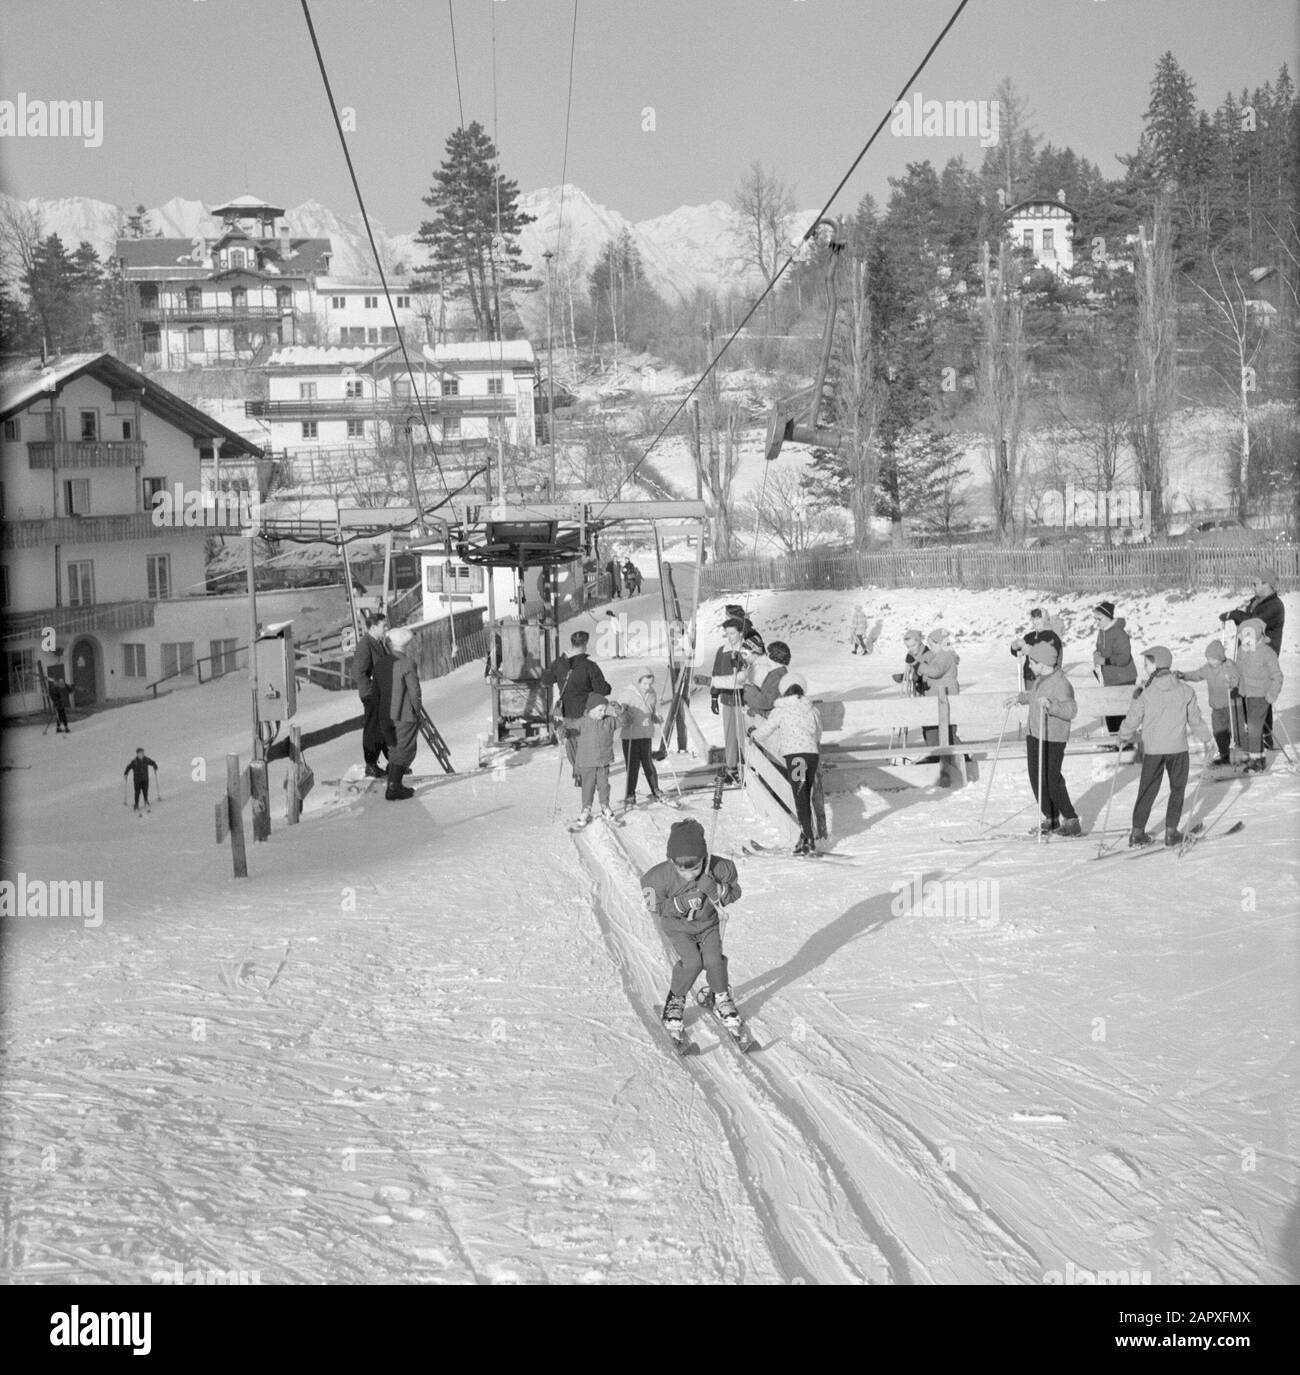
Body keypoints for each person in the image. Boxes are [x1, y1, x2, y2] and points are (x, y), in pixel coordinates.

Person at [641, 818, 743, 1036]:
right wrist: (680, 903)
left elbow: (735, 891)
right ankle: (675, 1000)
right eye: (682, 870)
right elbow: (653, 906)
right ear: (671, 861)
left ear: (704, 858)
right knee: (693, 963)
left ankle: (721, 996)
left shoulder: (717, 868)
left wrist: (716, 888)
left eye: (695, 868)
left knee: (714, 960)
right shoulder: (656, 878)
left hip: (707, 925)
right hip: (678, 928)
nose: (689, 875)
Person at [1119, 646, 1213, 847]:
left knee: (1147, 789)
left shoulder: (1145, 692)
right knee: (1177, 789)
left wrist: (1123, 736)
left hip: (1153, 750)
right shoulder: (1185, 690)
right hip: (1178, 749)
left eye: (1146, 663)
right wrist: (1206, 737)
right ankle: (1171, 831)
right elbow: (1195, 719)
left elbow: (1133, 717)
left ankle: (1137, 832)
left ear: (1155, 665)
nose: (1144, 667)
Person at [1009, 641, 1081, 836]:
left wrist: (1051, 706)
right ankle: (1050, 817)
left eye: (1032, 662)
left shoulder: (1061, 683)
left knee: (1051, 778)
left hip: (1052, 737)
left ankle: (1071, 819)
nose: (1029, 666)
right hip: (1035, 733)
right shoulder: (1041, 679)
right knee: (1036, 777)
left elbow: (1071, 710)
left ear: (1042, 663)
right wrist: (1021, 698)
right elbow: (1035, 696)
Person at [750, 671, 822, 855]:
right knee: (806, 793)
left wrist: (754, 734)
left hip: (795, 757)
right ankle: (804, 838)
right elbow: (818, 732)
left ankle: (809, 840)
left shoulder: (781, 710)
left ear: (783, 690)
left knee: (800, 797)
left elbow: (766, 729)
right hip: (811, 756)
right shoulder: (812, 709)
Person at [1221, 567, 1285, 749]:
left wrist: (1236, 614)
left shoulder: (1274, 606)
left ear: (1267, 584)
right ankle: (1255, 732)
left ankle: (1264, 735)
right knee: (1247, 691)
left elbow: (1253, 622)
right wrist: (1236, 616)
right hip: (1248, 652)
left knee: (1260, 693)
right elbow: (1247, 620)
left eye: (1256, 583)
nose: (1253, 587)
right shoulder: (1256, 602)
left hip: (1264, 654)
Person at [541, 631, 611, 784]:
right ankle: (582, 772)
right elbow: (603, 689)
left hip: (566, 711)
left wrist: (560, 660)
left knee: (572, 741)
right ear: (585, 644)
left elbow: (546, 679)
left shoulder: (560, 663)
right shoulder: (589, 666)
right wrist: (607, 687)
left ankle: (577, 770)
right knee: (585, 743)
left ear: (572, 643)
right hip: (585, 711)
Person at [1177, 640, 1241, 766]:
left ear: (1220, 658)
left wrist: (1231, 683)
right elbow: (1196, 675)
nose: (1210, 661)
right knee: (1219, 732)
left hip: (1231, 706)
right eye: (1208, 658)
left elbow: (1237, 678)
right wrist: (1184, 675)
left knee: (1235, 731)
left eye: (1212, 659)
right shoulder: (1208, 668)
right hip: (1216, 707)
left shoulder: (1229, 666)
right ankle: (1224, 755)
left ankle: (1241, 755)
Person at [1232, 618, 1283, 773]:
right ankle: (1258, 758)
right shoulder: (1242, 651)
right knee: (1254, 728)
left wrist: (1272, 694)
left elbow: (1277, 676)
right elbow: (1238, 670)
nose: (1246, 640)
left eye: (1249, 636)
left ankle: (1256, 763)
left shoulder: (1267, 652)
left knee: (1253, 728)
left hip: (1262, 695)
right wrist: (1233, 681)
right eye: (1243, 636)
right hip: (1247, 694)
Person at [915, 629, 965, 785]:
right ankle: (938, 754)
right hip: (937, 698)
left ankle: (960, 756)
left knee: (947, 731)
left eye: (932, 645)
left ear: (939, 644)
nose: (930, 648)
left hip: (945, 698)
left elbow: (935, 671)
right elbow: (928, 659)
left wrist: (921, 668)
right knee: (935, 728)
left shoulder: (945, 656)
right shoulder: (939, 654)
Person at [709, 618, 752, 783]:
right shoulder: (722, 650)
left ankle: (747, 767)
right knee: (729, 734)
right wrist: (714, 695)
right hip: (727, 699)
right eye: (727, 633)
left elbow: (749, 673)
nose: (729, 636)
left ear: (740, 633)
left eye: (732, 633)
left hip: (743, 700)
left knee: (743, 734)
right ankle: (731, 767)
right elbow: (716, 673)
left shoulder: (747, 650)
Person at [350, 611, 392, 778]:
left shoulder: (378, 643)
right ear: (374, 627)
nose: (386, 628)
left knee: (382, 729)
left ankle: (390, 763)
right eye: (384, 626)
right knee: (372, 730)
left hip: (381, 694)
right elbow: (358, 672)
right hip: (371, 695)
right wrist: (372, 689)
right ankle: (371, 765)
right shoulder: (365, 644)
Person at [381, 627, 421, 800]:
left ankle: (393, 781)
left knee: (394, 746)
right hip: (404, 713)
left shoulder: (384, 662)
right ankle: (393, 787)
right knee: (405, 748)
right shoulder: (407, 663)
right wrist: (417, 710)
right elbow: (414, 691)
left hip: (386, 712)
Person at [573, 691, 622, 826]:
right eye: (600, 710)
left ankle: (605, 806)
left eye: (604, 710)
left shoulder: (609, 721)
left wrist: (618, 709)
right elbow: (569, 728)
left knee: (604, 786)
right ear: (590, 709)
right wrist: (562, 730)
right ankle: (586, 809)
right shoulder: (582, 723)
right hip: (587, 762)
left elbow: (624, 721)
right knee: (587, 787)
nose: (602, 713)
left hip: (603, 761)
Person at [1092, 601, 1137, 741]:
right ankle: (1114, 740)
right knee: (1109, 710)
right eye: (1095, 619)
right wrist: (1096, 655)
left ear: (1108, 617)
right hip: (1110, 678)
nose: (1097, 622)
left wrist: (1105, 661)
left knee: (1120, 712)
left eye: (1099, 619)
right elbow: (1101, 649)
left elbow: (1124, 657)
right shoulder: (1102, 632)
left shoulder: (1119, 633)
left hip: (1123, 677)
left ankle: (1124, 741)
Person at [618, 670, 663, 807]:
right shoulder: (627, 693)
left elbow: (652, 712)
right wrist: (624, 714)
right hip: (631, 735)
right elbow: (619, 713)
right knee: (632, 766)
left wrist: (655, 718)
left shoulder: (652, 694)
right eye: (645, 684)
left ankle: (655, 789)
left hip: (645, 733)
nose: (647, 687)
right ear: (638, 681)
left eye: (650, 684)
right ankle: (630, 794)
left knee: (648, 763)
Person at [1010, 608, 1065, 690]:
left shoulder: (1052, 637)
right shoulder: (1030, 636)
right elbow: (1015, 652)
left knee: (1044, 701)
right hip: (1029, 678)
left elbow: (1047, 656)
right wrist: (1016, 645)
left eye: (1038, 618)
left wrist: (1027, 649)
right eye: (1033, 619)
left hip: (1046, 679)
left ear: (1045, 619)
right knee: (1031, 701)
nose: (1035, 622)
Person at [741, 639, 790, 720]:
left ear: (774, 657)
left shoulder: (777, 676)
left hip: (772, 720)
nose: (765, 656)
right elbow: (767, 694)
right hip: (770, 717)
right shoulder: (776, 672)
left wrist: (748, 688)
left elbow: (767, 702)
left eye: (767, 654)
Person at [123, 748, 159, 812]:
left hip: (145, 778)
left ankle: (146, 801)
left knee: (145, 791)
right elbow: (128, 767)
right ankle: (136, 805)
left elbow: (152, 762)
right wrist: (126, 773)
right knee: (137, 792)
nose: (142, 754)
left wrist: (155, 766)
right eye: (140, 753)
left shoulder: (146, 759)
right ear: (137, 754)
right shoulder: (134, 761)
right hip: (137, 780)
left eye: (142, 753)